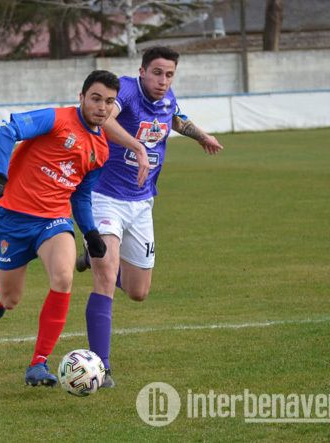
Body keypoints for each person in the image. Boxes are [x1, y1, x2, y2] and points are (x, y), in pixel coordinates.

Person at [76, 46, 224, 388]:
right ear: (142, 71)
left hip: (142, 203)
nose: (163, 80)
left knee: (138, 291)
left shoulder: (167, 98)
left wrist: (201, 136)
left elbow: (176, 118)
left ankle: (93, 256)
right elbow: (105, 119)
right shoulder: (126, 90)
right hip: (104, 196)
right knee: (106, 275)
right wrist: (138, 147)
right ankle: (102, 366)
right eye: (157, 73)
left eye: (169, 74)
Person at [0, 70, 123, 387]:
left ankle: (38, 364)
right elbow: (7, 131)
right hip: (13, 218)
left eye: (109, 101)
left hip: (54, 220)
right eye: (96, 98)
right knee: (11, 298)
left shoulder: (101, 150)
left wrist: (90, 232)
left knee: (63, 277)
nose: (102, 107)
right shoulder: (56, 119)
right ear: (82, 97)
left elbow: (81, 195)